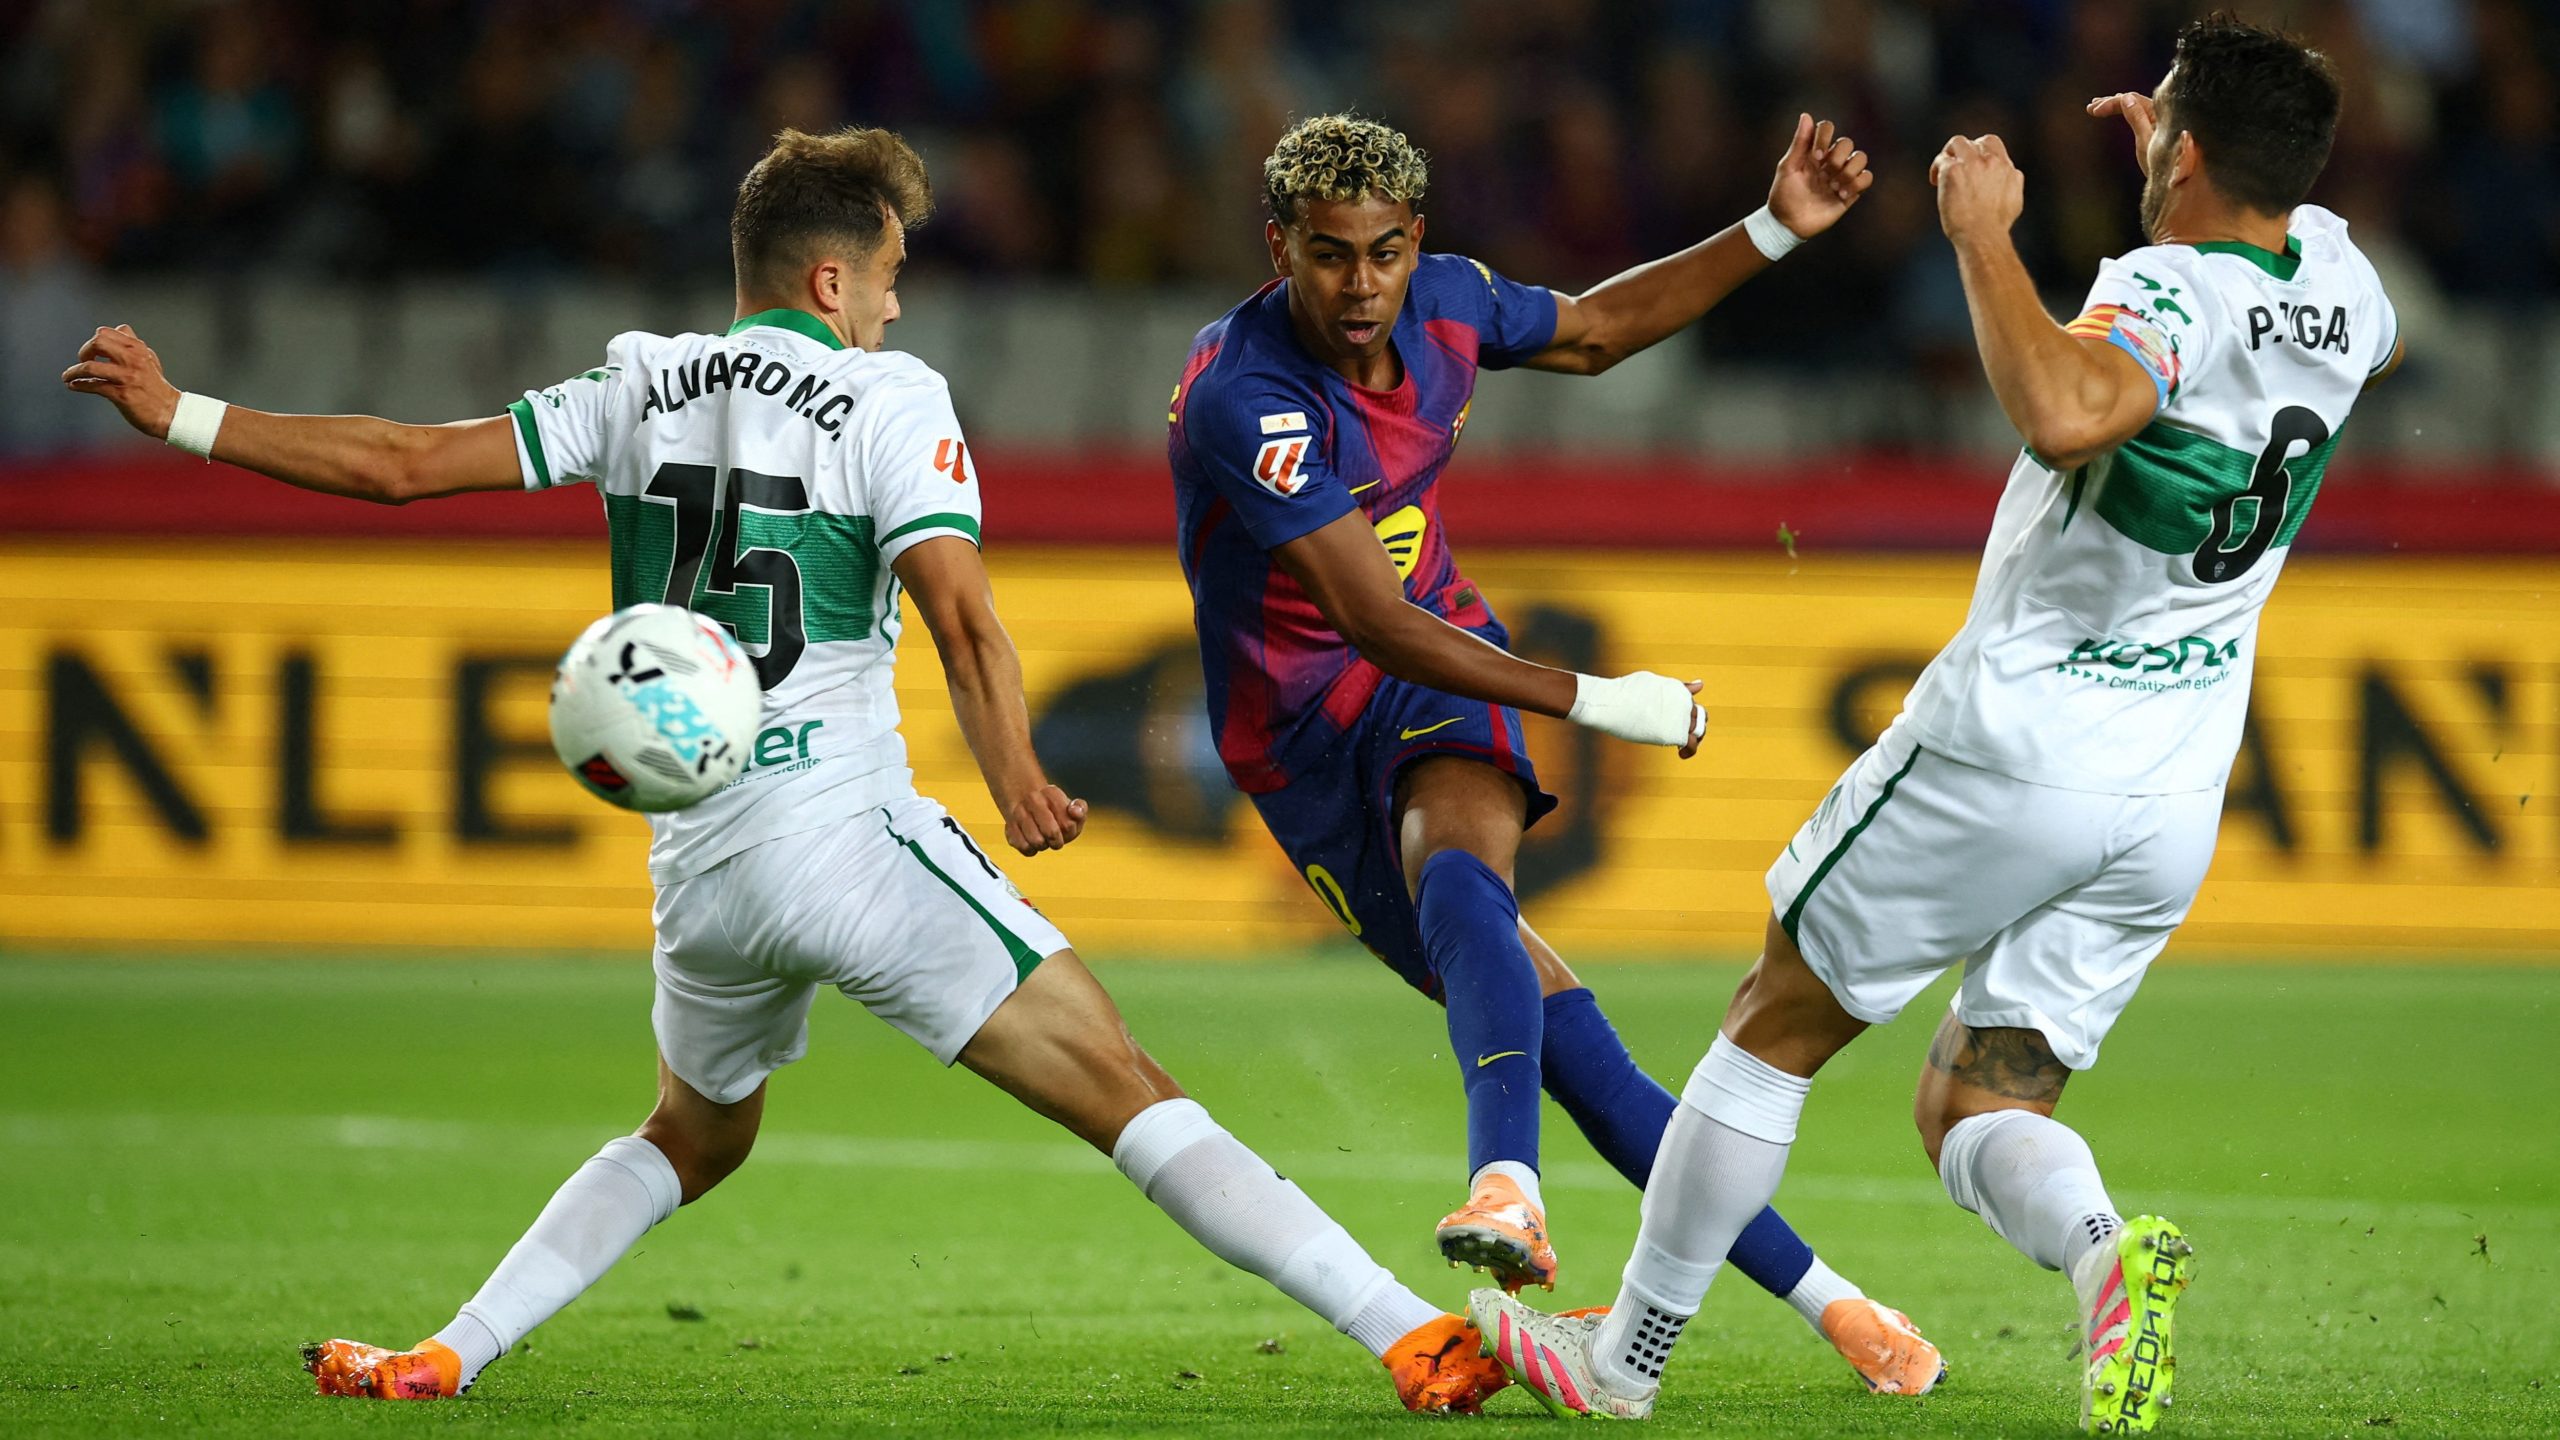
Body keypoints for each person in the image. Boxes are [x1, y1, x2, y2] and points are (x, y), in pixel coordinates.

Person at [63, 126, 1513, 1416]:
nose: (897, 304)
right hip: (849, 840)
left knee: (692, 1136)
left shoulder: (636, 381)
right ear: (831, 281)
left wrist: (182, 412)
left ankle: (449, 1351)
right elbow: (962, 615)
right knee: (1127, 1087)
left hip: (700, 866)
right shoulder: (887, 394)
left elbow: (396, 462)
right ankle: (1408, 1334)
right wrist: (1013, 771)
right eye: (888, 276)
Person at [1472, 18, 2401, 1431]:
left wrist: (1984, 235)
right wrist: (2185, 169)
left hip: (2017, 744)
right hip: (2171, 787)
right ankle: (2103, 1256)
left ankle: (1624, 1363)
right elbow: (2282, 328)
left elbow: (2065, 410)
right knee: (1977, 1108)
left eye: (2162, 120)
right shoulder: (2342, 279)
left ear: (2190, 152)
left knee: (1773, 1024)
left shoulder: (2166, 291)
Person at [1165, 113, 1941, 1394]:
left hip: (1439, 662)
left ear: (1416, 242)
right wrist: (1598, 702)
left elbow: (1594, 330)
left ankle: (1505, 1188)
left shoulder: (1450, 301)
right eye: (1327, 254)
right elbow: (1366, 617)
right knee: (1575, 1046)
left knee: (1462, 870)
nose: (1359, 285)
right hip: (1300, 736)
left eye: (1382, 253)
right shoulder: (1244, 394)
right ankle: (1842, 1305)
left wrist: (1771, 227)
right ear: (1278, 248)